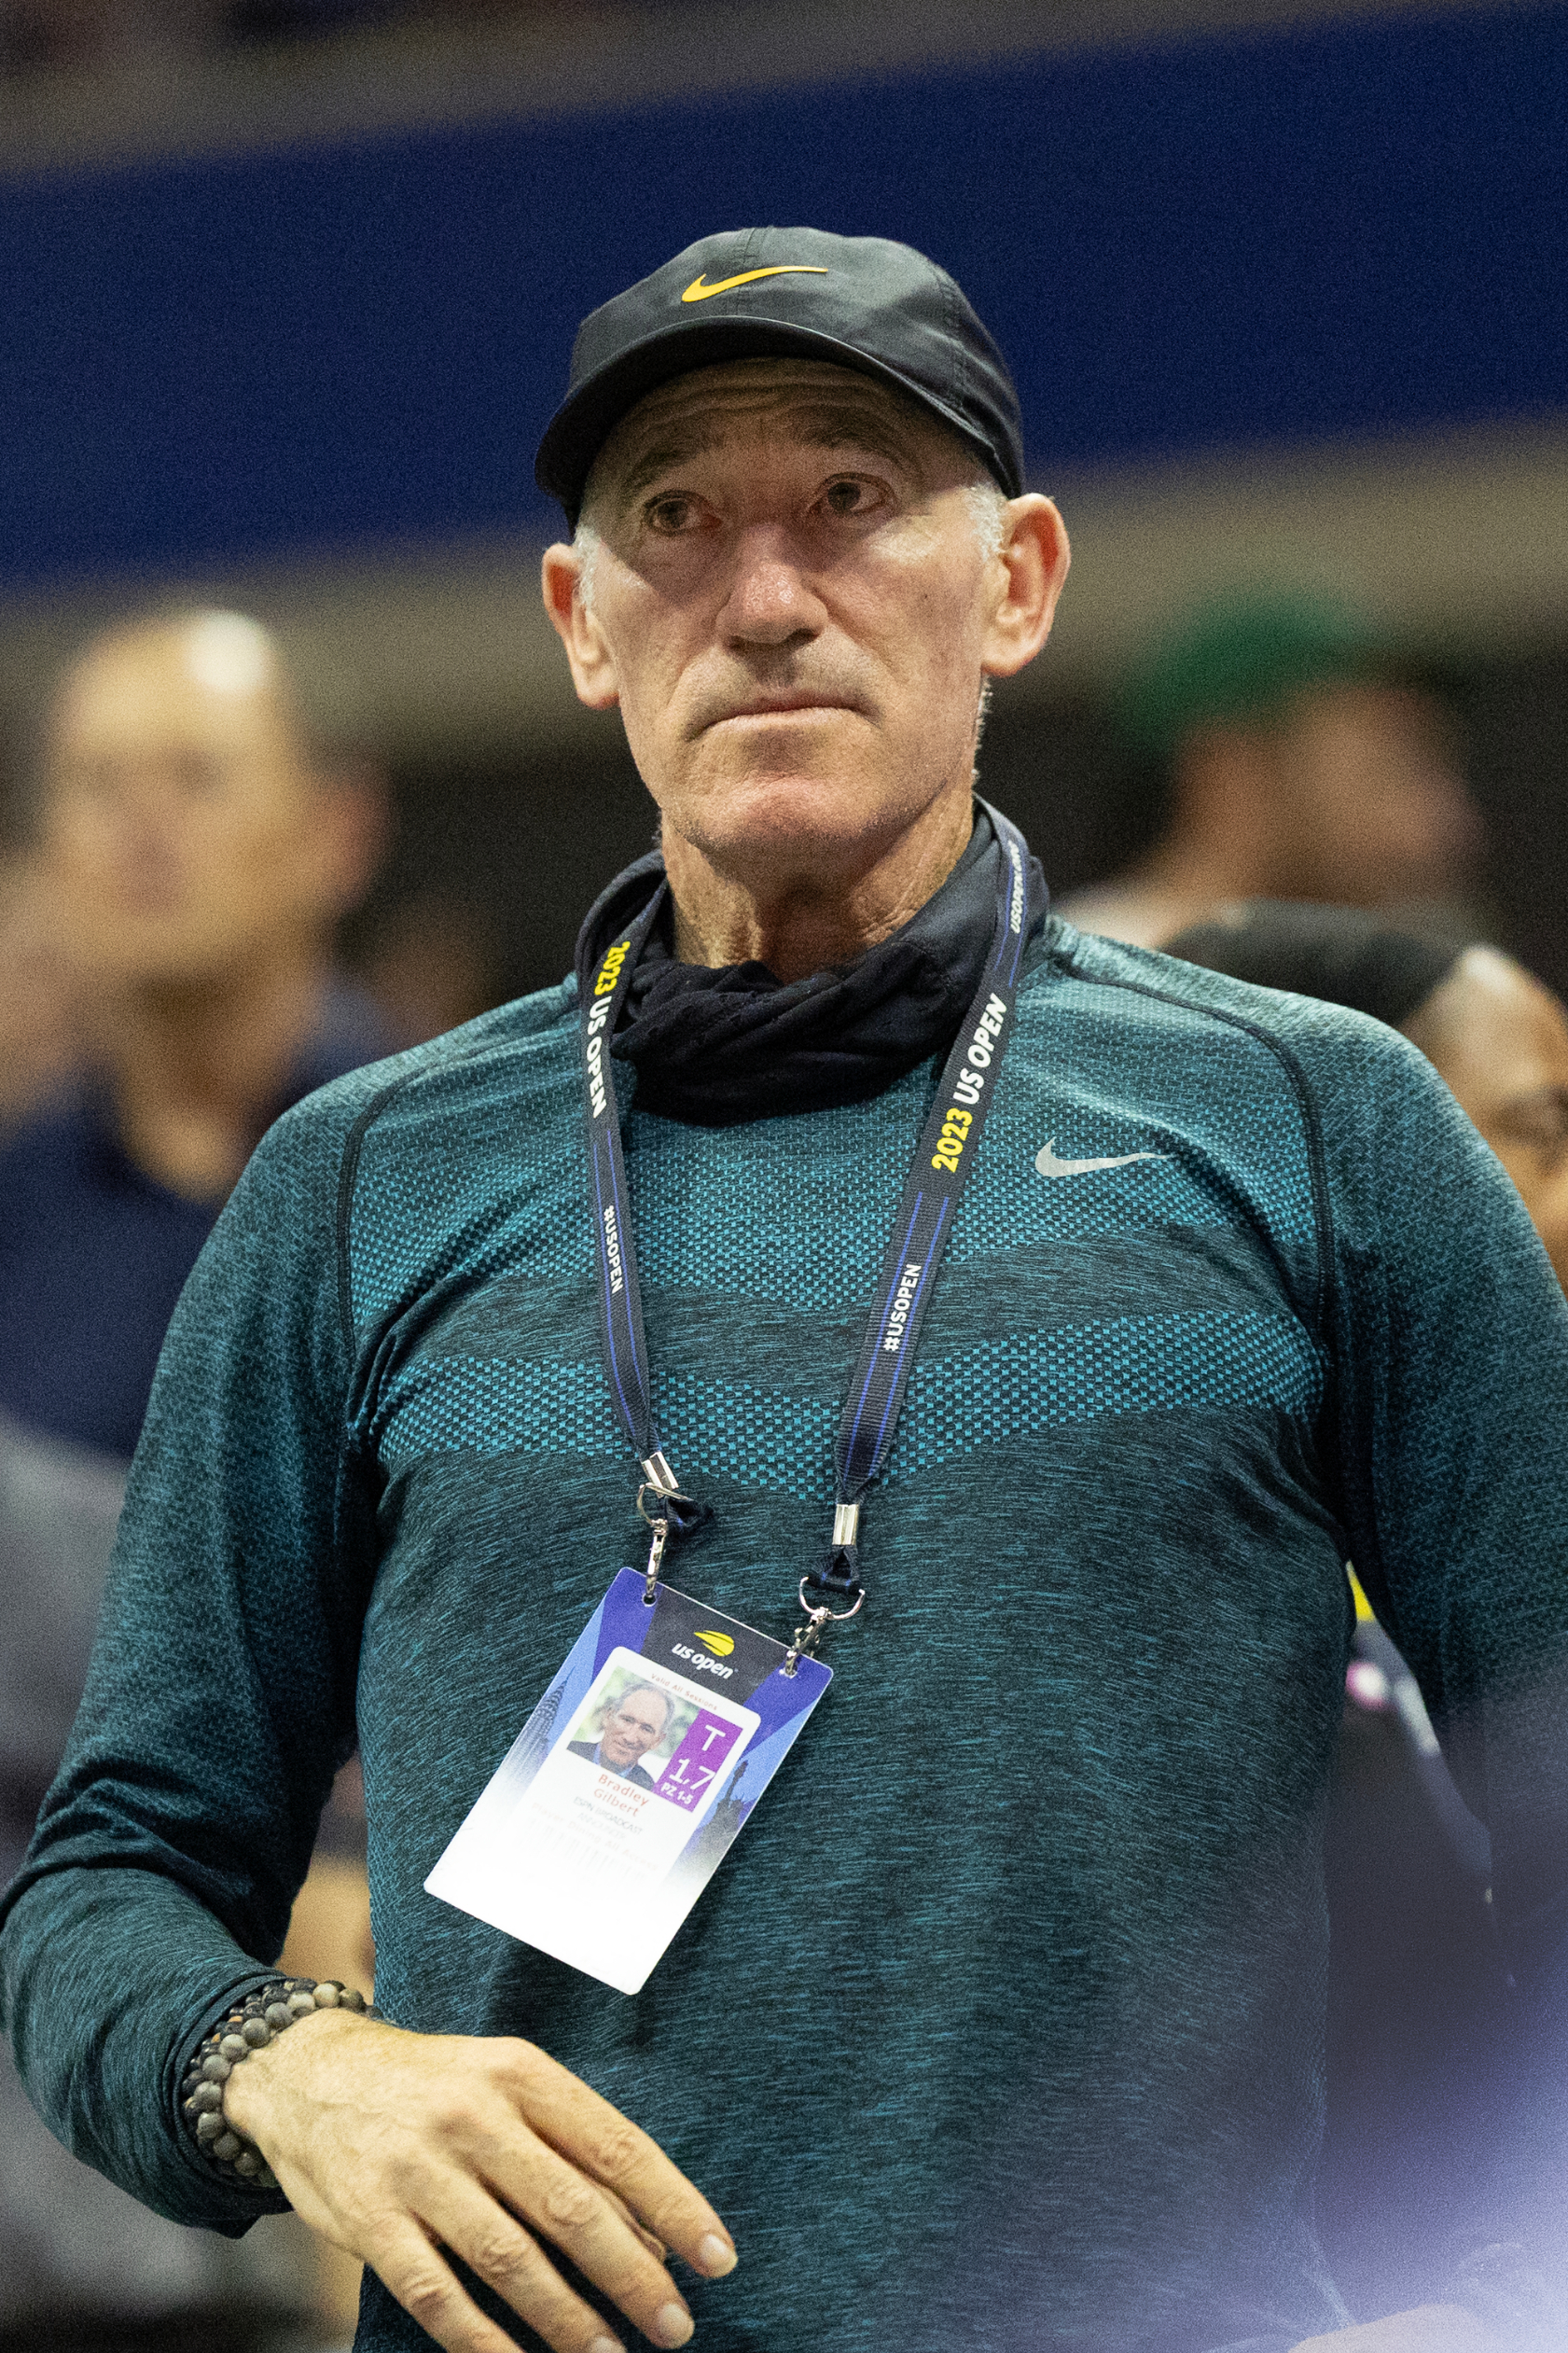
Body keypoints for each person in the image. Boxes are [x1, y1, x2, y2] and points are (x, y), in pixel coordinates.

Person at [4, 228, 1566, 2353]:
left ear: (1014, 580)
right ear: (581, 621)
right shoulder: (363, 1183)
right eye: (674, 518)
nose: (761, 595)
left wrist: (1484, 2298)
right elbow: (101, 1895)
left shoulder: (1314, 1127)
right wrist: (290, 2063)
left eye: (851, 497)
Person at [0, 608, 388, 2349]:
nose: (138, 827)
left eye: (195, 776)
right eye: (93, 786)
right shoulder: (6, 1219)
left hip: (397, 2046)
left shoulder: (481, 1179)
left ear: (333, 829)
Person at [1058, 594, 1482, 948]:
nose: (1447, 825)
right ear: (1233, 777)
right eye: (1387, 770)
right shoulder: (1084, 983)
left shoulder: (1398, 977)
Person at [567, 1687, 673, 1788]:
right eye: (627, 1720)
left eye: (646, 1729)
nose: (630, 1738)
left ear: (657, 1741)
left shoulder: (651, 1791)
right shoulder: (566, 1750)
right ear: (608, 1717)